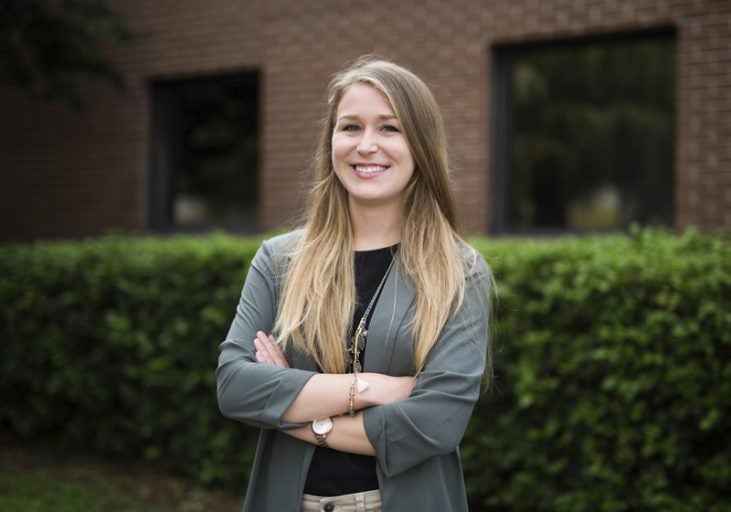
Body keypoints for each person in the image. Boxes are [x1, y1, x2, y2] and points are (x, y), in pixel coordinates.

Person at [216, 56, 492, 512]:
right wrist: (370, 387)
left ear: (420, 145)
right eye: (350, 127)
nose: (366, 145)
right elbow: (235, 387)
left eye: (389, 128)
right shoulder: (279, 260)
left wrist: (290, 402)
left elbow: (434, 425)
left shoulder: (459, 271)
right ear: (331, 142)